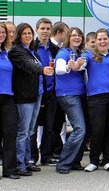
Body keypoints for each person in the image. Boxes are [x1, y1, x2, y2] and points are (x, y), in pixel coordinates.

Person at [10, 23, 55, 176]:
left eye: (29, 33)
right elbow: (28, 66)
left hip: (36, 95)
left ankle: (28, 161)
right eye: (24, 33)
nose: (28, 36)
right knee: (22, 132)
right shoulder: (17, 51)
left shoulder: (31, 51)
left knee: (30, 131)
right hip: (24, 97)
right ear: (19, 36)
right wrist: (42, 69)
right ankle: (20, 164)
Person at [82, 29, 109, 172]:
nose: (102, 42)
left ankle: (108, 160)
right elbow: (81, 65)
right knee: (97, 130)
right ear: (95, 41)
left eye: (105, 39)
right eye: (99, 39)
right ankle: (93, 160)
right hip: (95, 98)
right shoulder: (89, 56)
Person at [54, 27, 88, 174]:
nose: (77, 37)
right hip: (67, 94)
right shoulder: (63, 52)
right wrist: (69, 67)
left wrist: (79, 66)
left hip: (81, 94)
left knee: (83, 129)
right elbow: (58, 70)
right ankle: (63, 163)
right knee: (80, 129)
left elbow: (83, 67)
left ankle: (74, 161)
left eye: (79, 35)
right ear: (69, 37)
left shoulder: (81, 54)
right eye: (74, 35)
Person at [34, 18, 64, 166]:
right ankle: (32, 157)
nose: (45, 31)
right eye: (42, 28)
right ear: (37, 30)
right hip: (35, 92)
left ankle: (46, 156)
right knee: (32, 127)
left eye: (47, 28)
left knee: (50, 126)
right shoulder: (31, 48)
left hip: (51, 92)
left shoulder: (55, 50)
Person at [0, 22, 20, 179]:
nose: (1, 35)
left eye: (3, 32)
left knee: (10, 134)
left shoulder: (6, 53)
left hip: (8, 97)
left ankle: (10, 169)